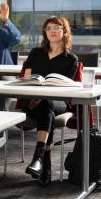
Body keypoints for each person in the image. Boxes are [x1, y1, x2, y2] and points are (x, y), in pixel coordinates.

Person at [22, 16, 78, 187]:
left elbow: (65, 89)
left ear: (64, 31)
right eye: (48, 28)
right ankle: (43, 163)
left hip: (59, 103)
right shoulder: (35, 53)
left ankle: (39, 159)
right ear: (45, 33)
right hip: (33, 101)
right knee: (47, 111)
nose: (53, 30)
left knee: (47, 104)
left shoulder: (71, 59)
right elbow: (26, 79)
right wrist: (35, 96)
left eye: (57, 27)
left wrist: (43, 97)